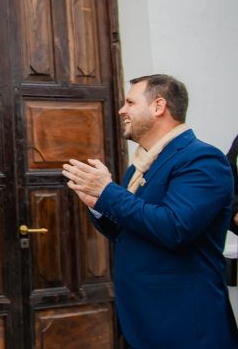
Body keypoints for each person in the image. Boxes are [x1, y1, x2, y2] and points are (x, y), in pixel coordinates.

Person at [62, 74, 238, 349]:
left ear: (158, 106)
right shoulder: (140, 165)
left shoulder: (202, 159)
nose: (121, 110)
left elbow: (175, 228)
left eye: (130, 102)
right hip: (142, 320)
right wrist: (97, 204)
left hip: (185, 325)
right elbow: (127, 229)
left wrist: (108, 193)